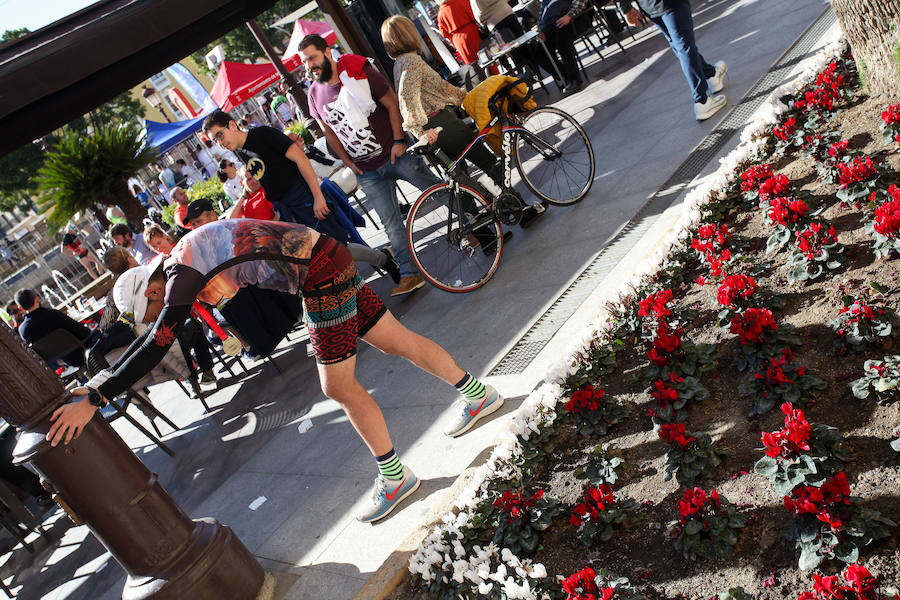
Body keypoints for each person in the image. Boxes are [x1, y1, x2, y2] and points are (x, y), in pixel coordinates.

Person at [47, 217, 506, 523]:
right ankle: (478, 394)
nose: (161, 312)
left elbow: (156, 342)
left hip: (320, 276)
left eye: (152, 308)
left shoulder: (181, 272)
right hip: (327, 262)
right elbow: (155, 336)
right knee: (397, 341)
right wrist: (96, 386)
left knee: (337, 386)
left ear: (149, 291)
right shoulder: (184, 256)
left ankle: (395, 477)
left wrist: (94, 395)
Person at [300, 34, 446, 296]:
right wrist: (347, 163)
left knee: (437, 190)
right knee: (391, 222)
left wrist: (399, 140)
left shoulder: (359, 70)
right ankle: (411, 275)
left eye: (312, 57)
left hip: (397, 153)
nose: (309, 64)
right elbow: (329, 133)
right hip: (365, 170)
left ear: (327, 53)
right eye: (304, 61)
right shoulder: (313, 94)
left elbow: (391, 103)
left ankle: (478, 224)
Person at [382, 16, 545, 228]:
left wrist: (467, 97)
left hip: (433, 130)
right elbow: (406, 97)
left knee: (460, 179)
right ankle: (521, 211)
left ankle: (485, 235)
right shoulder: (411, 62)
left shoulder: (400, 63)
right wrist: (417, 127)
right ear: (408, 34)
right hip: (442, 124)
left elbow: (441, 90)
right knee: (487, 162)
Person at [202, 110, 400, 284]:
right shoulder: (239, 152)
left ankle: (383, 259)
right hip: (286, 209)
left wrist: (318, 197)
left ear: (232, 125)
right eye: (215, 140)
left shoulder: (263, 134)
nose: (220, 142)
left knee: (337, 248)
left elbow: (300, 158)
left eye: (220, 135)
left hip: (304, 196)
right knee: (315, 258)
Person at [621, 0, 727, 121]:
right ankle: (702, 101)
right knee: (684, 46)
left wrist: (626, 8)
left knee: (679, 45)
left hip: (649, 6)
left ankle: (711, 74)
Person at [14, 288, 127, 367]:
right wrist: (94, 329)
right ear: (36, 299)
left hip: (69, 360)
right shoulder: (52, 315)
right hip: (89, 350)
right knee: (121, 326)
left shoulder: (23, 331)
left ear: (20, 307)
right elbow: (84, 332)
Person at [537, 0, 587, 93]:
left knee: (562, 40)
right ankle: (564, 75)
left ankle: (575, 79)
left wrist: (568, 16)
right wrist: (540, 31)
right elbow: (540, 17)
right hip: (551, 29)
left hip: (572, 21)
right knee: (538, 51)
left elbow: (581, 2)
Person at [437, 0, 482, 67]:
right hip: (472, 32)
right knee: (485, 57)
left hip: (458, 40)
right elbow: (473, 15)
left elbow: (443, 33)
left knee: (473, 65)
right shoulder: (460, 1)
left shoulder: (440, 13)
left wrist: (452, 40)